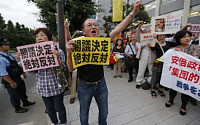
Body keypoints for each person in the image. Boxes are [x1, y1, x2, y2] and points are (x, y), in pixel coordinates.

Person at [66, 1, 141, 124]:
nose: (93, 27)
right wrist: (69, 54)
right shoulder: (77, 45)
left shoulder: (102, 42)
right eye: (89, 25)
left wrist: (133, 13)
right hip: (84, 87)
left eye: (95, 24)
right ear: (83, 31)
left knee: (104, 112)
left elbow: (118, 29)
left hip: (101, 85)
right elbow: (70, 68)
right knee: (83, 114)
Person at [18, 28, 67, 125]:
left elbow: (63, 68)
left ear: (49, 37)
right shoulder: (32, 53)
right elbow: (32, 72)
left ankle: (63, 122)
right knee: (49, 108)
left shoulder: (58, 51)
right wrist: (24, 60)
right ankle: (54, 122)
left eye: (42, 35)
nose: (39, 38)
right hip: (43, 87)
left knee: (59, 107)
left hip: (56, 86)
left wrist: (57, 58)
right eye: (36, 36)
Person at [165, 30, 199, 115]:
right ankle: (171, 100)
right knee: (173, 87)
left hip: (187, 74)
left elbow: (195, 59)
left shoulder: (194, 47)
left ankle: (183, 106)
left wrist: (182, 53)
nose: (187, 38)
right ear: (179, 39)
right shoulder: (174, 49)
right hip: (176, 73)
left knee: (185, 90)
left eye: (188, 36)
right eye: (184, 37)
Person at [0, 37, 35, 113]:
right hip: (10, 79)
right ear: (0, 47)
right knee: (14, 94)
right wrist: (11, 82)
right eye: (5, 45)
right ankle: (17, 108)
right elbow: (3, 73)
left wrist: (23, 72)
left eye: (8, 44)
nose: (8, 45)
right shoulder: (1, 58)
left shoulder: (8, 55)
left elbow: (16, 65)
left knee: (22, 90)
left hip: (17, 77)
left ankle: (25, 102)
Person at [150, 34, 177, 98]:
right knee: (154, 76)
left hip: (166, 62)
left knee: (163, 76)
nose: (162, 37)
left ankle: (160, 90)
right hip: (157, 62)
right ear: (157, 37)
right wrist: (154, 38)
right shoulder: (156, 44)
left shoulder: (168, 43)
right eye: (160, 36)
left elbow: (177, 43)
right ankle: (153, 90)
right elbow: (152, 47)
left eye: (163, 35)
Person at [135, 22, 155, 89]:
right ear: (145, 32)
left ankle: (151, 82)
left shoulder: (154, 37)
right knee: (141, 69)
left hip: (151, 55)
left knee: (151, 70)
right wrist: (139, 27)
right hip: (143, 54)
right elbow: (137, 35)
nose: (149, 32)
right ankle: (138, 82)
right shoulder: (142, 37)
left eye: (150, 31)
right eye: (148, 31)